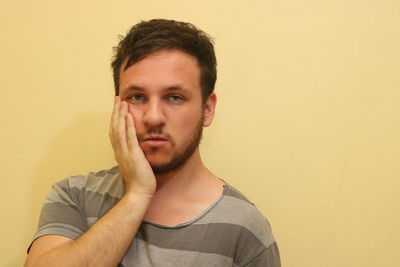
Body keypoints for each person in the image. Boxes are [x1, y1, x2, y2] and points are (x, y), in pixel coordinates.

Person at [24, 19, 280, 267]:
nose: (153, 116)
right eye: (137, 97)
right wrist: (137, 195)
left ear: (207, 109)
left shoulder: (245, 228)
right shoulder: (75, 195)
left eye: (175, 97)